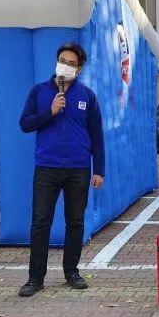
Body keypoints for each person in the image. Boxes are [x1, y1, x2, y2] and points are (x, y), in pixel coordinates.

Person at [17, 42, 105, 297]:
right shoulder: (39, 92)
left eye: (71, 64)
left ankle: (71, 272)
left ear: (79, 69)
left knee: (75, 222)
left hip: (78, 168)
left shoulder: (87, 96)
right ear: (57, 62)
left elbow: (97, 135)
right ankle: (35, 278)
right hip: (47, 167)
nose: (66, 66)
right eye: (63, 61)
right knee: (40, 222)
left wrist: (99, 169)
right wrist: (50, 112)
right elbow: (25, 124)